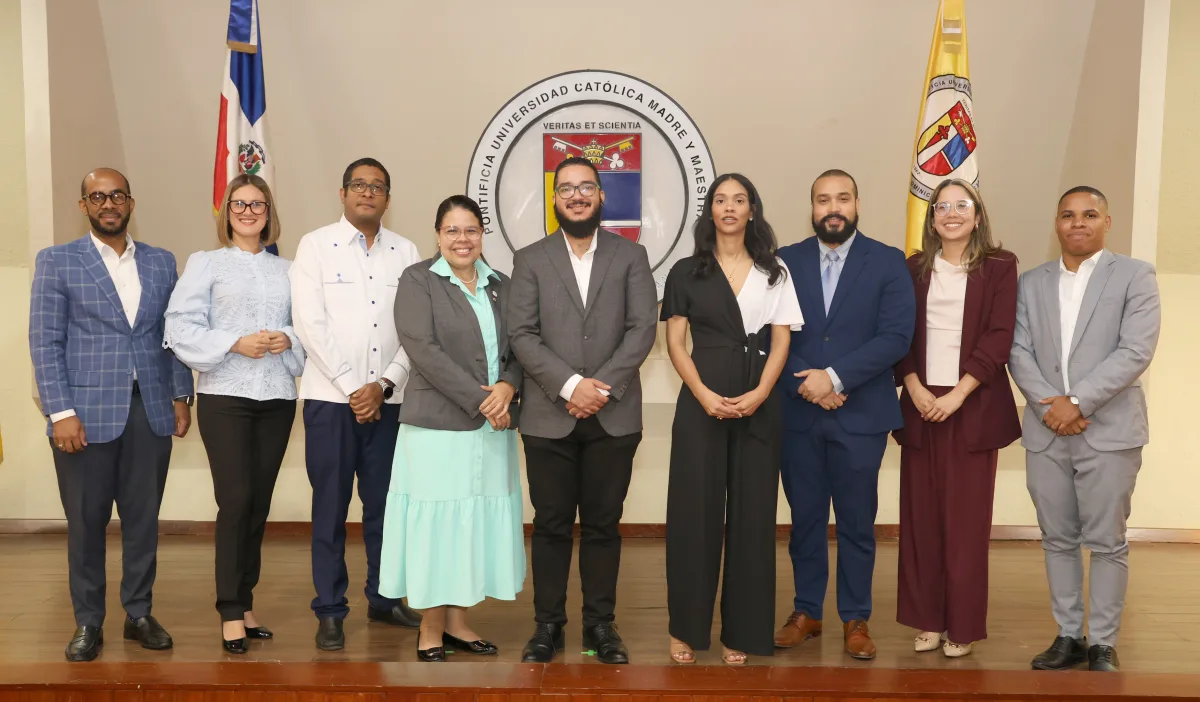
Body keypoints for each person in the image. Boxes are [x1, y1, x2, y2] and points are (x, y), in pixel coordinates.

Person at [29, 168, 194, 662]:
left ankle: (139, 612)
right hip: (83, 415)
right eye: (97, 196)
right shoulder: (57, 261)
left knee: (143, 520)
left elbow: (172, 335)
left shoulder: (161, 262)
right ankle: (88, 621)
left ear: (130, 203)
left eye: (117, 195)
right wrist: (61, 411)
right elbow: (45, 342)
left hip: (151, 410)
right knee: (86, 522)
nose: (108, 203)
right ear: (84, 205)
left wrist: (181, 394)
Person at [507, 156, 658, 664]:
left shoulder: (631, 255)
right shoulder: (530, 259)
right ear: (554, 199)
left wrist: (601, 389)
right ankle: (547, 626)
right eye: (567, 188)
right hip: (548, 417)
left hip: (614, 417)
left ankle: (600, 626)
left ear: (601, 196)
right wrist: (572, 386)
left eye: (586, 187)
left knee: (603, 525)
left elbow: (642, 328)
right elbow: (521, 334)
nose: (577, 196)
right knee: (551, 524)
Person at [1009, 186, 1161, 673]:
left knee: (1107, 541)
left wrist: (1076, 402)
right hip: (1046, 430)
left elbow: (1135, 350)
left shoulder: (1136, 275)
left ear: (1106, 222)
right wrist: (1051, 407)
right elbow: (1017, 351)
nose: (1078, 223)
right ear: (1056, 223)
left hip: (1110, 430)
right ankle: (1069, 636)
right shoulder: (1030, 282)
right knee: (1057, 538)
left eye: (1090, 214)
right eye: (1068, 215)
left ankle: (1104, 643)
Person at [661, 174, 803, 665]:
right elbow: (675, 342)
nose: (729, 207)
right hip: (701, 402)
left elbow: (782, 339)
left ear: (751, 210)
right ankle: (685, 628)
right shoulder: (686, 271)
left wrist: (761, 392)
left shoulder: (775, 270)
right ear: (710, 211)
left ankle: (740, 631)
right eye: (720, 200)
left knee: (753, 518)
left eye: (739, 200)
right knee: (693, 515)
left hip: (758, 405)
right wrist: (702, 394)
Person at [774, 169, 915, 660]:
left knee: (857, 522)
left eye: (842, 198)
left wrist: (833, 379)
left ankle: (856, 617)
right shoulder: (784, 261)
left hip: (861, 414)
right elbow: (768, 333)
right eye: (822, 200)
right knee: (805, 520)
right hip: (799, 414)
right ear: (812, 208)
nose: (832, 208)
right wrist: (808, 384)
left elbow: (896, 336)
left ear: (857, 204)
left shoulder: (888, 261)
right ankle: (807, 611)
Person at [378, 195, 526, 662]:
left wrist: (507, 386)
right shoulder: (418, 280)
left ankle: (459, 623)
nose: (463, 239)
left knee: (472, 524)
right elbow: (422, 349)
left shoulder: (502, 284)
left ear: (482, 234)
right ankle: (430, 627)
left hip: (492, 428)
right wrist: (484, 399)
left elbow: (521, 346)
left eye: (471, 230)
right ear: (438, 235)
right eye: (452, 230)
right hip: (437, 428)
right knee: (439, 529)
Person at [163, 174, 305, 654]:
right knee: (236, 499)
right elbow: (179, 326)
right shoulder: (206, 263)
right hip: (226, 396)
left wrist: (288, 338)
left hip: (277, 397)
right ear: (227, 211)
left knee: (259, 503)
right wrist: (233, 343)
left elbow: (308, 327)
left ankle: (245, 603)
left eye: (257, 204)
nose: (248, 211)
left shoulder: (289, 270)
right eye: (239, 204)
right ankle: (228, 608)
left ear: (269, 212)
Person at [290, 157, 423, 651]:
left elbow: (415, 329)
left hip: (389, 403)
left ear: (388, 198)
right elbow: (309, 324)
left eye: (378, 186)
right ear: (343, 193)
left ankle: (384, 599)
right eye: (359, 185)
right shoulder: (315, 246)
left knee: (385, 506)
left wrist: (383, 385)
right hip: (330, 401)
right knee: (330, 507)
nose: (368, 192)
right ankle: (330, 609)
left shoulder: (406, 251)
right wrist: (353, 387)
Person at [891, 178, 1021, 657]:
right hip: (921, 404)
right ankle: (927, 620)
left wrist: (959, 393)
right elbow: (898, 333)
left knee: (966, 526)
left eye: (961, 205)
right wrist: (914, 386)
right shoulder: (911, 269)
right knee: (920, 521)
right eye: (941, 206)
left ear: (977, 215)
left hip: (973, 406)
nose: (951, 213)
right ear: (931, 219)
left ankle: (962, 625)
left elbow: (1000, 335)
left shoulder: (1001, 266)